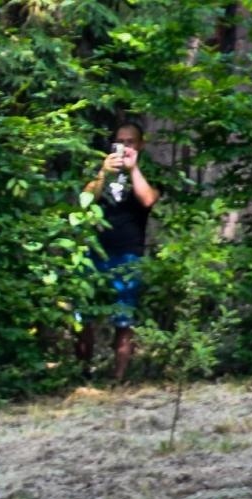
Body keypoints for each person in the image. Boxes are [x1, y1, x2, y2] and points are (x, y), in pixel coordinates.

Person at [79, 121, 159, 382]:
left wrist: (133, 168)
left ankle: (118, 379)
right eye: (120, 141)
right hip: (95, 251)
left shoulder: (149, 171)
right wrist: (103, 172)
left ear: (140, 144)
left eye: (130, 142)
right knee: (83, 316)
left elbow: (148, 199)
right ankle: (83, 372)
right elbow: (85, 200)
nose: (124, 147)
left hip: (127, 253)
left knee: (123, 320)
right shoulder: (100, 167)